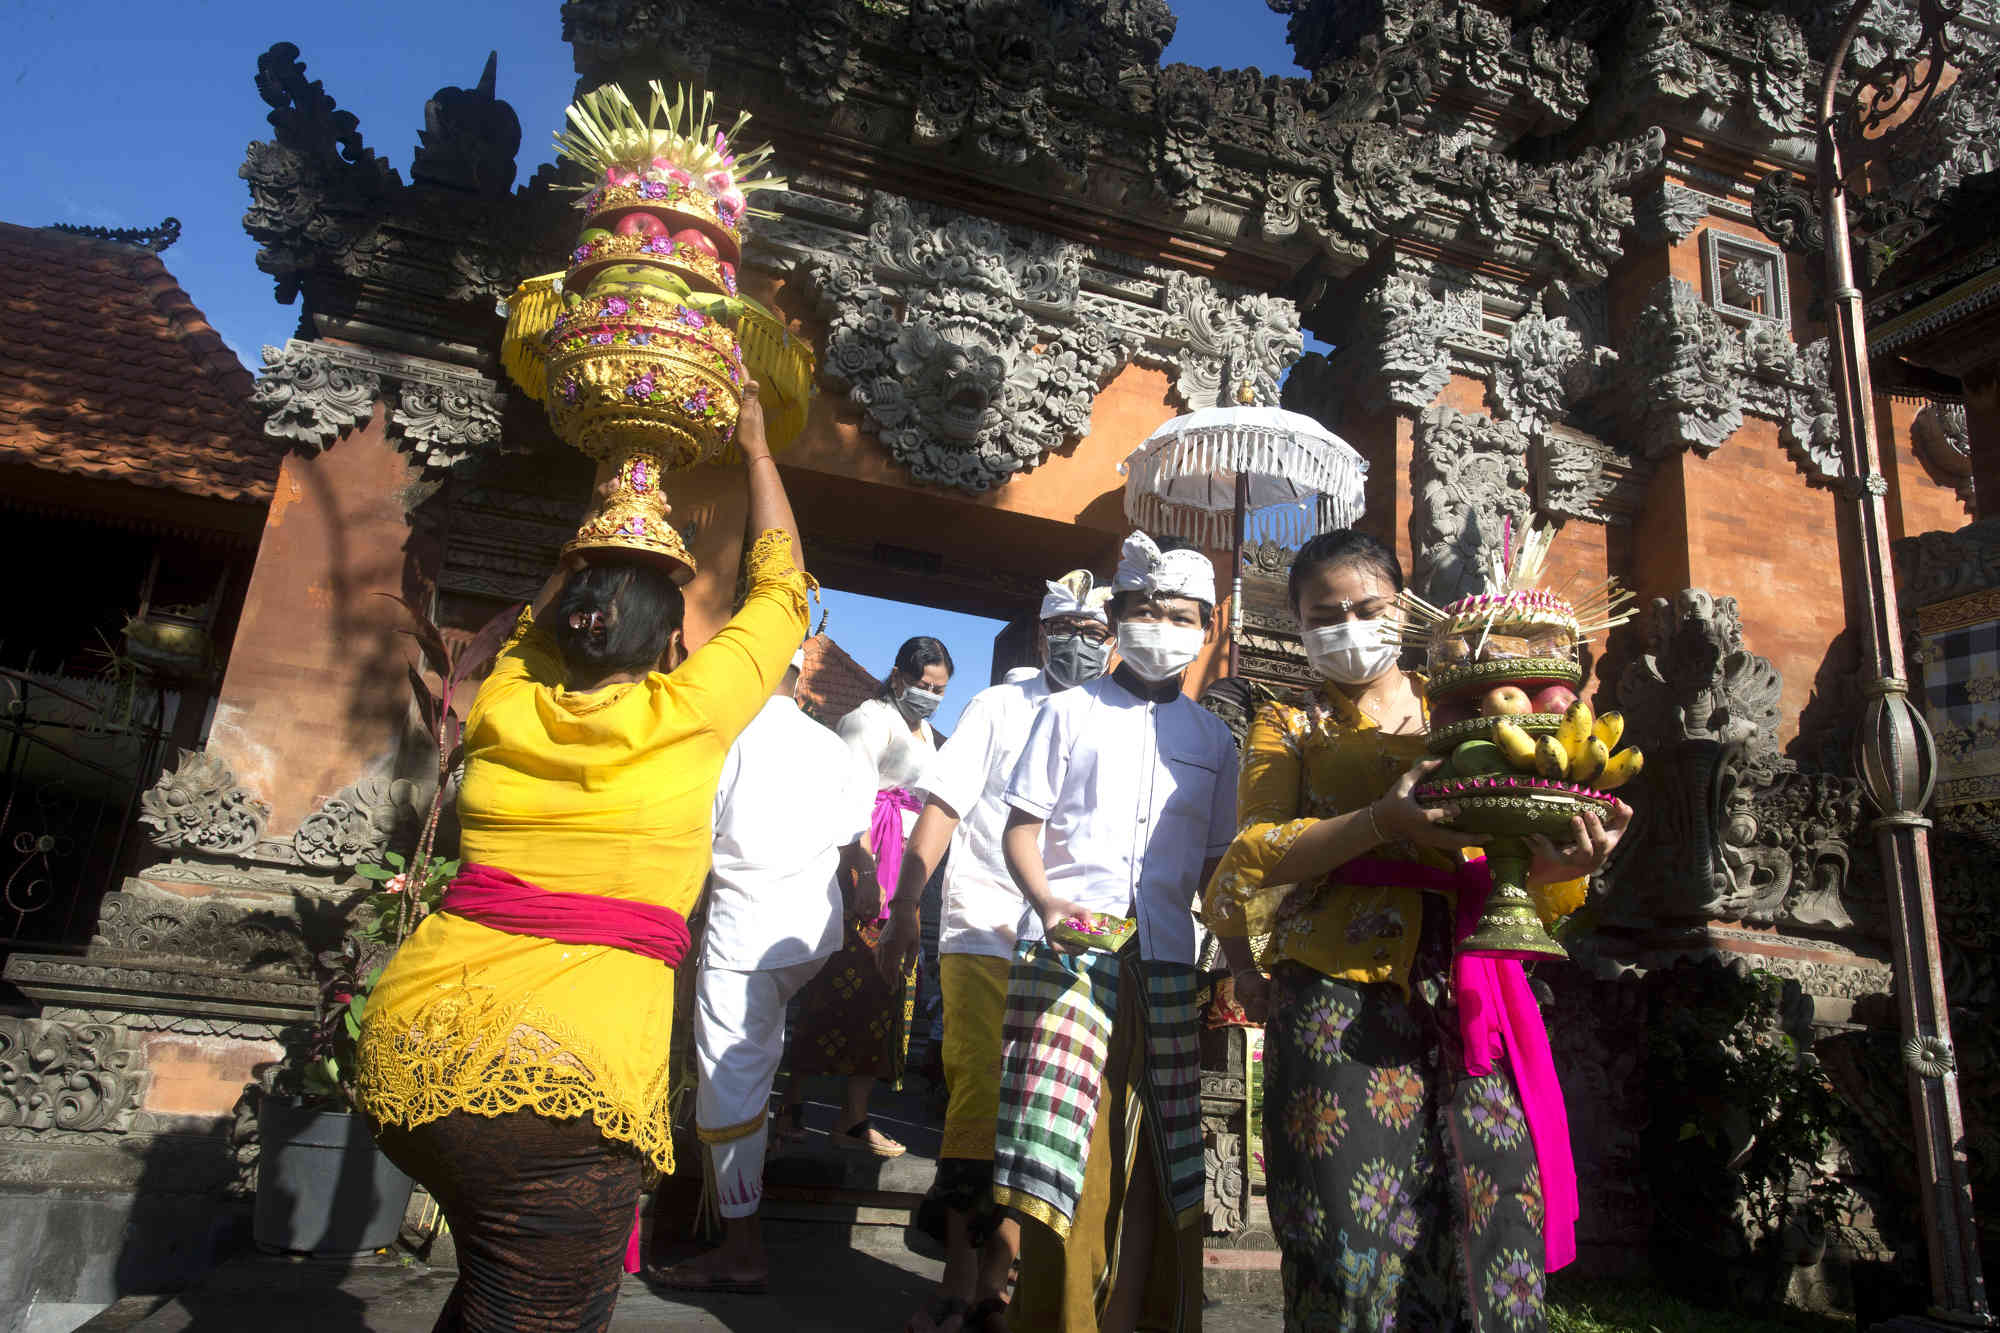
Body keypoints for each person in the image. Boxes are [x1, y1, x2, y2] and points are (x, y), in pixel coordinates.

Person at [353, 385, 811, 1331]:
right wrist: (758, 449)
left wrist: (613, 498)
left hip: (411, 1050)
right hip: (558, 1088)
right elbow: (782, 592)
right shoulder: (688, 713)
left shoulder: (506, 699)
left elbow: (537, 619)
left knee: (494, 1294)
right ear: (675, 640)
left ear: (568, 621)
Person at [1202, 529, 1629, 1332]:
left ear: (1403, 607)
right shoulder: (1285, 725)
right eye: (1324, 614)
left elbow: (1527, 872)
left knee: (1493, 1216)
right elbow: (1256, 851)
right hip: (1337, 998)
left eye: (1368, 607)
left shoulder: (1470, 701)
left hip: (1473, 986)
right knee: (1346, 1234)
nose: (1349, 625)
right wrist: (1378, 821)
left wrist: (1573, 859)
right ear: (1297, 624)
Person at [975, 531, 1239, 1333]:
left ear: (1208, 628)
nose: (1165, 625)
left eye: (1185, 614)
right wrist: (1049, 904)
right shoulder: (1064, 712)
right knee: (1066, 1158)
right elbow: (1022, 829)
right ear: (1118, 616)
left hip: (1166, 964)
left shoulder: (1213, 741)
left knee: (1162, 1161)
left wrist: (1238, 954)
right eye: (1148, 609)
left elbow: (1218, 865)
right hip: (1068, 960)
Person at [879, 570, 1115, 1333]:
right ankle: (957, 1275)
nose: (1082, 642)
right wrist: (906, 904)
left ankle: (1001, 1279)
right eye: (1068, 628)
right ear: (1043, 635)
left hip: (1070, 943)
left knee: (1037, 1111)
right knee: (977, 1099)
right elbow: (944, 807)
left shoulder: (1116, 718)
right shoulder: (997, 705)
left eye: (1096, 631)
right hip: (984, 926)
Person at [655, 646, 877, 1294]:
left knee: (731, 1085)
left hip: (747, 936)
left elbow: (694, 844)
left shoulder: (726, 740)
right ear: (798, 675)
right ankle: (748, 1169)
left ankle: (741, 1247)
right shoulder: (829, 743)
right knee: (754, 1065)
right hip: (808, 937)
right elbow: (851, 842)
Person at [780, 635, 956, 1157]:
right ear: (898, 675)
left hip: (906, 873)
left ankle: (854, 1117)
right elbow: (851, 799)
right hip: (867, 867)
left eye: (940, 689)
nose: (930, 696)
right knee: (836, 990)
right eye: (923, 685)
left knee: (888, 995)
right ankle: (791, 1102)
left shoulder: (926, 733)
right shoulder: (866, 719)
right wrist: (863, 870)